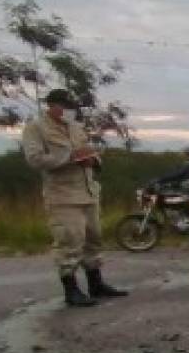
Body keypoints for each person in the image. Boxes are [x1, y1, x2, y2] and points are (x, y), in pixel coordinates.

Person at [21, 89, 128, 307]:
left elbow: (91, 152)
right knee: (70, 240)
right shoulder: (35, 128)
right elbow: (35, 160)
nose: (69, 111)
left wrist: (94, 161)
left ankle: (96, 284)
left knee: (93, 237)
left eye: (71, 107)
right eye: (64, 106)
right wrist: (70, 157)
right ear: (51, 105)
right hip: (62, 195)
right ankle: (71, 290)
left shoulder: (77, 127)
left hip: (88, 191)